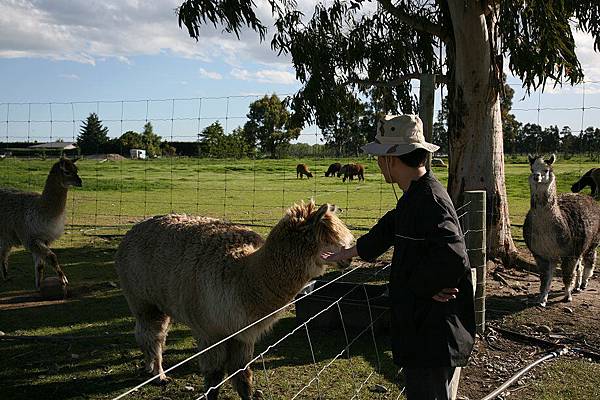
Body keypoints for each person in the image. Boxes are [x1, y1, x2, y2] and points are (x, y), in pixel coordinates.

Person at [322, 114, 476, 400]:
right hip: (420, 328)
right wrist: (349, 252)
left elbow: (454, 257)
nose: (378, 164)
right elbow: (390, 227)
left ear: (392, 158)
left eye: (380, 157)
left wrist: (425, 287)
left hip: (431, 332)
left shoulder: (429, 201)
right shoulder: (415, 195)